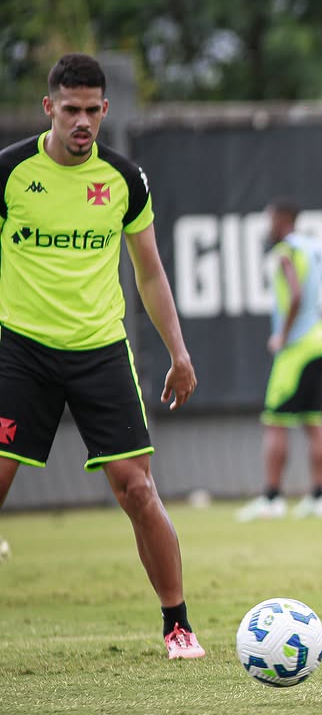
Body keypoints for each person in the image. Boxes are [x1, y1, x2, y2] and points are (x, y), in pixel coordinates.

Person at [0, 53, 205, 659]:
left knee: (137, 489)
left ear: (105, 109)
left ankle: (178, 625)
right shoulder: (9, 173)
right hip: (22, 352)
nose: (82, 121)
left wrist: (179, 351)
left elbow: (150, 273)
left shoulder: (124, 179)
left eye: (92, 110)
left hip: (101, 352)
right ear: (49, 108)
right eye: (71, 110)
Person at [235, 199, 322, 522]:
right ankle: (318, 497)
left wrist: (283, 335)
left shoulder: (284, 252)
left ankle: (272, 497)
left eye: (270, 219)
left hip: (298, 348)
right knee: (313, 420)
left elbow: (296, 295)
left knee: (275, 422)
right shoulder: (315, 248)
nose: (267, 226)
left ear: (284, 219)